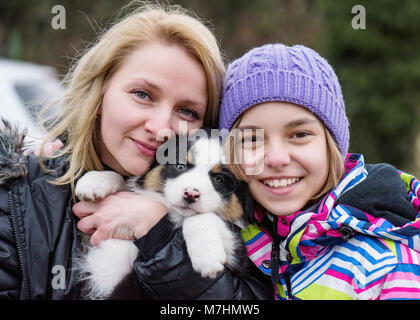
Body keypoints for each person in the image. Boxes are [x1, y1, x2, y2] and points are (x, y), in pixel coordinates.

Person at [0, 3, 272, 299]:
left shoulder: (252, 218)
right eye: (142, 95)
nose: (160, 128)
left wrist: (161, 234)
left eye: (187, 111)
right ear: (100, 91)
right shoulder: (14, 198)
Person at [219, 43, 420, 300]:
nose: (277, 158)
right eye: (252, 139)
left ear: (331, 146)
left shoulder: (385, 266)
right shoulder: (241, 241)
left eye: (300, 134)